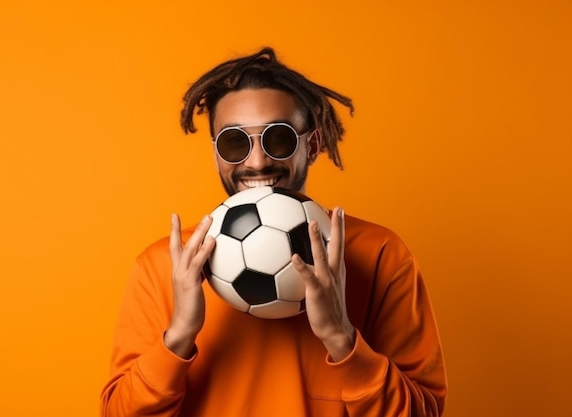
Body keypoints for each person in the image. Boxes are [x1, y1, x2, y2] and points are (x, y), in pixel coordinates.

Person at [100, 47, 448, 417]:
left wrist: (340, 337)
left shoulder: (378, 254)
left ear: (311, 146)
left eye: (277, 138)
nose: (257, 161)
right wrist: (180, 335)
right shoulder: (162, 265)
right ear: (216, 153)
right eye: (235, 142)